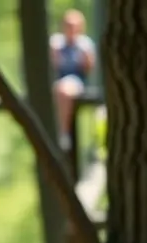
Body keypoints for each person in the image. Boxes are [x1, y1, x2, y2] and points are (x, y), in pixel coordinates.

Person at [50, 9, 96, 149]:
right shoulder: (56, 43)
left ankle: (63, 133)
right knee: (59, 89)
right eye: (68, 25)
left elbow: (88, 70)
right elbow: (52, 67)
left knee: (64, 90)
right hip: (58, 82)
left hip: (76, 82)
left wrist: (86, 58)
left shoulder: (84, 45)